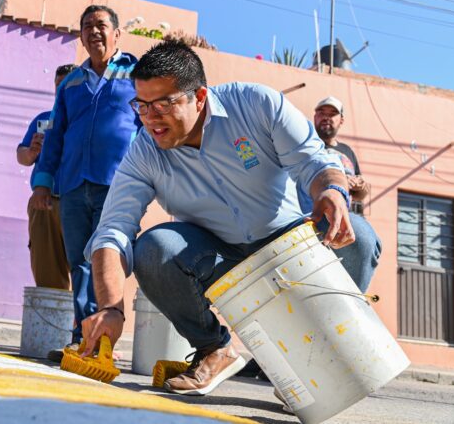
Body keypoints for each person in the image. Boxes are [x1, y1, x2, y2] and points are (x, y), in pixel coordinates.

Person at [79, 40, 380, 397]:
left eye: (163, 104)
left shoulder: (257, 105)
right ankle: (213, 349)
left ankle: (314, 359)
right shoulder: (144, 151)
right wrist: (111, 307)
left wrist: (331, 192)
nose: (150, 117)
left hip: (290, 246)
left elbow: (314, 162)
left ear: (199, 96)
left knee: (358, 235)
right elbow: (113, 230)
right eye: (141, 105)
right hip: (221, 261)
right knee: (154, 248)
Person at [29, 6, 140, 346]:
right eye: (87, 26)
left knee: (109, 256)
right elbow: (56, 137)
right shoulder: (72, 83)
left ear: (117, 34)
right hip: (75, 184)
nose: (94, 31)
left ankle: (106, 337)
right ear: (81, 36)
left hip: (119, 183)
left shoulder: (137, 74)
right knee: (79, 260)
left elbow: (150, 127)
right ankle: (83, 336)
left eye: (101, 25)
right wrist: (44, 182)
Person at [17, 64, 76, 291]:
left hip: (78, 200)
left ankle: (81, 324)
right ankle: (54, 320)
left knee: (85, 267)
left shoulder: (88, 120)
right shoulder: (43, 120)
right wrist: (32, 151)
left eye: (67, 86)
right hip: (44, 200)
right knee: (46, 269)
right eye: (57, 86)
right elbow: (22, 156)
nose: (61, 91)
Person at [313, 96, 369, 214]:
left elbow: (360, 194)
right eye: (321, 113)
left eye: (332, 114)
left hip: (345, 215)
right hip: (313, 213)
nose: (326, 117)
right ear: (315, 117)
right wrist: (342, 180)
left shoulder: (347, 151)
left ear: (341, 121)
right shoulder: (307, 146)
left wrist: (360, 185)